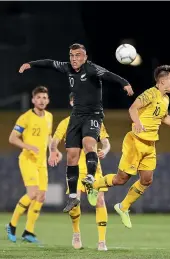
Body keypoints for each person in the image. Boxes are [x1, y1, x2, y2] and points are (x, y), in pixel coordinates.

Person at [19, 43, 133, 212]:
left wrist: (125, 83)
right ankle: (73, 197)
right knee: (72, 155)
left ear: (85, 57)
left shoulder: (92, 69)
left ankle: (89, 177)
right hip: (76, 116)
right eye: (72, 55)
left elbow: (109, 75)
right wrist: (31, 64)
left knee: (88, 144)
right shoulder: (67, 68)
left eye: (78, 55)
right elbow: (50, 63)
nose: (74, 59)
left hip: (93, 114)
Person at [91, 65, 170, 228]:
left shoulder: (165, 99)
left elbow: (164, 117)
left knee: (147, 180)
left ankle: (123, 207)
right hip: (136, 142)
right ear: (162, 81)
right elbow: (133, 108)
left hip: (150, 144)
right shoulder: (150, 93)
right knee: (121, 179)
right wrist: (138, 122)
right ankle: (93, 185)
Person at [49, 92, 110, 251]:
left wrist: (105, 149)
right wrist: (53, 151)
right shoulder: (65, 123)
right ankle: (76, 233)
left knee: (100, 201)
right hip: (76, 170)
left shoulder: (95, 122)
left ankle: (102, 241)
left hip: (94, 170)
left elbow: (106, 142)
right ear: (71, 103)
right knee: (75, 203)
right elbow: (54, 141)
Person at [6, 86, 59, 243]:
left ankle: (28, 231)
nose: (42, 100)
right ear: (33, 100)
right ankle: (12, 224)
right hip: (28, 160)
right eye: (39, 98)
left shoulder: (49, 117)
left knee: (41, 197)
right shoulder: (25, 118)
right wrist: (28, 146)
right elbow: (12, 138)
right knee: (32, 193)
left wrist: (54, 151)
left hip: (41, 163)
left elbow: (48, 137)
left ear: (48, 100)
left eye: (44, 97)